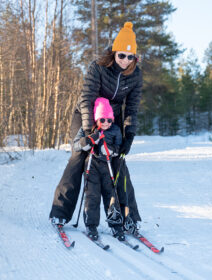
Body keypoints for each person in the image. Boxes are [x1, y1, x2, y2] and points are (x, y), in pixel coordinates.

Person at [49, 22, 142, 233]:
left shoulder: (135, 75)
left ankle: (128, 217)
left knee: (118, 162)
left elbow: (132, 109)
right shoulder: (98, 67)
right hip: (86, 115)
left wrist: (129, 135)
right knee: (79, 156)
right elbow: (87, 98)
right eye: (121, 55)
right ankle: (60, 213)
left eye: (130, 57)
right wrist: (91, 132)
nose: (125, 61)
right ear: (113, 53)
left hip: (112, 119)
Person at [73, 97, 126, 241]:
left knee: (111, 195)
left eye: (109, 120)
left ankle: (116, 225)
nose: (106, 123)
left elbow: (118, 147)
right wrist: (90, 140)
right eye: (102, 120)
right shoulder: (90, 129)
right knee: (92, 195)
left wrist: (108, 150)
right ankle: (91, 225)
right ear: (97, 119)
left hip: (108, 166)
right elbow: (77, 145)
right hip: (92, 165)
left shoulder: (115, 130)